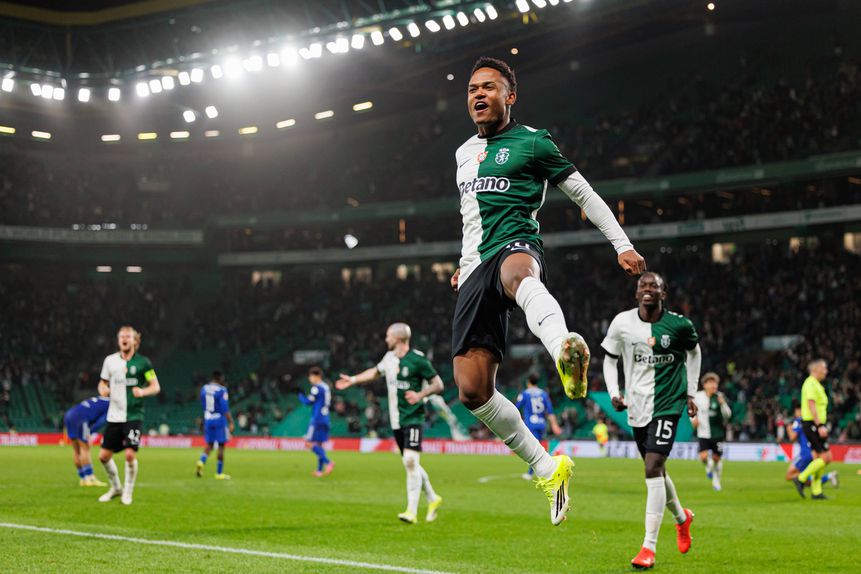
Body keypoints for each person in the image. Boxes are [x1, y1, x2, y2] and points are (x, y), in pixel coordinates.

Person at [450, 56, 645, 526]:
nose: (479, 95)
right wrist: (462, 267)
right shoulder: (461, 154)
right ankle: (546, 466)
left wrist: (622, 244)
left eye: (489, 87)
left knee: (520, 277)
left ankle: (565, 349)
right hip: (475, 269)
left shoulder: (533, 142)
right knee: (472, 391)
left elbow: (584, 193)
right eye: (473, 88)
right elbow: (469, 220)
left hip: (515, 246)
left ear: (509, 96)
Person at [601, 272, 699, 569]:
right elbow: (609, 359)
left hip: (669, 403)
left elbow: (695, 353)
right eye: (643, 286)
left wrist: (691, 393)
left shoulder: (680, 325)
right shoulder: (622, 323)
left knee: (652, 466)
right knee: (657, 470)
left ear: (662, 293)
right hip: (637, 405)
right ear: (636, 293)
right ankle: (682, 518)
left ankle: (649, 547)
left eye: (653, 286)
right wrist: (614, 392)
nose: (648, 290)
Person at [336, 323, 444, 524]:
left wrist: (421, 394)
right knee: (410, 462)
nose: (386, 339)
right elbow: (374, 373)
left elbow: (438, 384)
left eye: (388, 336)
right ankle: (432, 497)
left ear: (399, 338)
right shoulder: (389, 358)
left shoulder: (418, 360)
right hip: (396, 420)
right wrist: (352, 379)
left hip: (414, 417)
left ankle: (411, 512)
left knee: (410, 461)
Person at [97, 326, 160, 505]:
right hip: (114, 415)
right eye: (121, 336)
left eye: (128, 336)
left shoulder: (144, 363)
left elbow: (155, 386)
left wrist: (143, 391)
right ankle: (116, 487)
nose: (124, 339)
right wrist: (102, 389)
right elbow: (102, 384)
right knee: (103, 456)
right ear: (118, 340)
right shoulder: (109, 361)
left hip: (134, 414)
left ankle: (128, 492)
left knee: (130, 455)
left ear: (135, 341)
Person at [792, 360, 832, 500]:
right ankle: (801, 479)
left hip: (815, 424)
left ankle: (816, 491)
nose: (826, 371)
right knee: (826, 457)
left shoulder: (816, 384)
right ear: (815, 369)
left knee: (820, 457)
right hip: (812, 424)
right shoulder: (810, 383)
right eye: (824, 368)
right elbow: (811, 405)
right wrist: (819, 425)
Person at [515, 374, 562, 479]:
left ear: (528, 382)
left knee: (533, 449)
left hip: (530, 424)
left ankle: (532, 472)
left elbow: (516, 407)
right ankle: (540, 469)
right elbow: (550, 411)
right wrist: (554, 425)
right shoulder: (543, 394)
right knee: (536, 447)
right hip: (541, 424)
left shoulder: (525, 394)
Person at [785, 402, 838, 491]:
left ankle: (803, 480)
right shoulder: (810, 421)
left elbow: (792, 437)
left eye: (796, 411)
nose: (796, 413)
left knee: (789, 475)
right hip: (814, 450)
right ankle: (825, 479)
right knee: (809, 473)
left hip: (805, 453)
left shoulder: (798, 421)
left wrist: (788, 428)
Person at [692, 372, 731, 491]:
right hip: (703, 432)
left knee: (716, 458)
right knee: (703, 457)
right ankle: (709, 468)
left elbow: (728, 415)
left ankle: (716, 481)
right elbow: (691, 409)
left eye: (715, 383)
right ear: (705, 385)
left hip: (717, 433)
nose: (713, 385)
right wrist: (693, 419)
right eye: (711, 383)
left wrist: (723, 404)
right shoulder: (698, 396)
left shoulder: (720, 397)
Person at [196, 371, 235, 480]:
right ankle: (219, 473)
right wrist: (231, 421)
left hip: (208, 418)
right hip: (218, 419)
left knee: (209, 444)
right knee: (221, 446)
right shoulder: (222, 390)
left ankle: (201, 462)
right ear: (219, 378)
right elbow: (224, 408)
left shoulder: (204, 388)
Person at [63, 396, 110, 486]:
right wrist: (90, 431)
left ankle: (83, 478)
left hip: (69, 414)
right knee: (85, 448)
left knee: (77, 450)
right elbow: (102, 421)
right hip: (80, 418)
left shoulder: (101, 399)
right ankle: (90, 478)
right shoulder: (111, 405)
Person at [299, 366, 335, 477]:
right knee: (319, 445)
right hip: (325, 418)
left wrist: (300, 396)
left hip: (317, 418)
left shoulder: (316, 388)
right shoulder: (326, 387)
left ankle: (328, 462)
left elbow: (308, 402)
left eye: (311, 376)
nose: (310, 379)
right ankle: (319, 471)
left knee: (308, 443)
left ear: (317, 376)